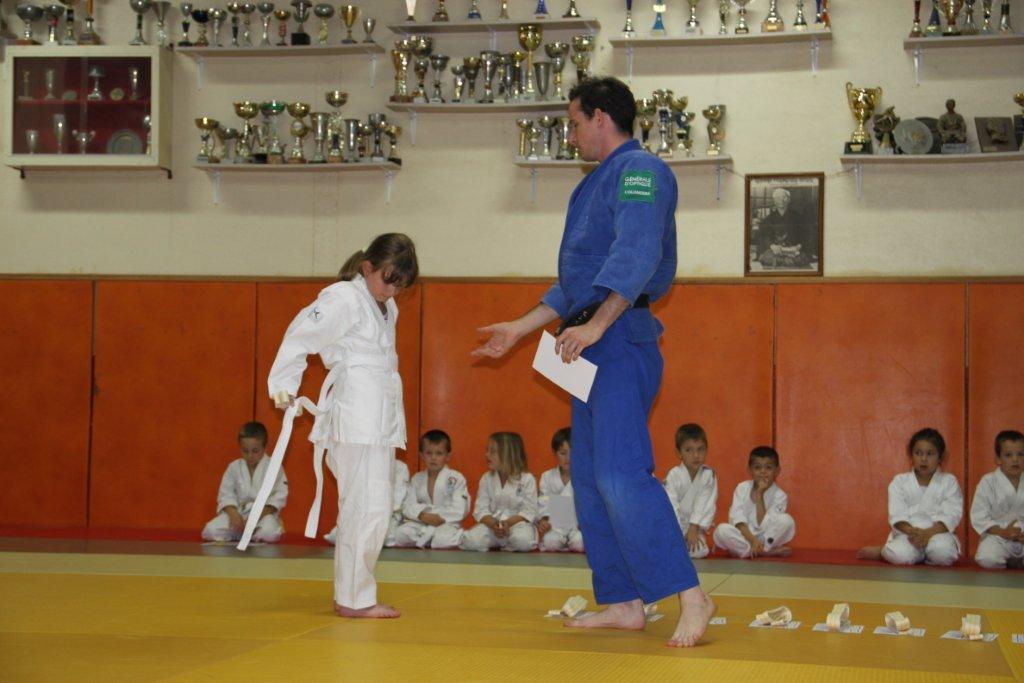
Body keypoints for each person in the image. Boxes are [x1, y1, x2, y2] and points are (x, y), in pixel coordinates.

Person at [471, 76, 715, 647]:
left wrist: (598, 326)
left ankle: (692, 595)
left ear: (602, 117)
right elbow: (575, 284)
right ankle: (624, 601)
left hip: (619, 339)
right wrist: (519, 328)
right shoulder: (590, 185)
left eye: (575, 121)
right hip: (585, 342)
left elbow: (637, 254)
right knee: (589, 478)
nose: (571, 133)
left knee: (621, 474)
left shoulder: (640, 171)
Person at [267, 232, 418, 619]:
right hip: (355, 417)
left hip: (381, 419)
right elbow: (300, 336)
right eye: (387, 280)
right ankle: (354, 598)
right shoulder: (343, 298)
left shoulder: (387, 307)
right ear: (367, 267)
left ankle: (355, 593)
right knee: (364, 508)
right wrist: (283, 386)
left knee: (375, 507)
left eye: (400, 284)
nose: (392, 291)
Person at [857, 428, 962, 566]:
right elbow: (897, 515)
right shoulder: (900, 481)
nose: (923, 459)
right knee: (899, 555)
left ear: (940, 457)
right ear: (911, 456)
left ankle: (923, 554)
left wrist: (927, 533)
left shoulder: (949, 481)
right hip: (908, 534)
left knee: (944, 555)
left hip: (937, 534)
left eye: (930, 454)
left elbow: (951, 515)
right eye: (918, 453)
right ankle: (883, 551)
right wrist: (913, 532)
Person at [202, 421, 287, 544]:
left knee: (270, 533)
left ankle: (249, 534)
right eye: (245, 451)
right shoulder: (234, 467)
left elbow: (278, 497)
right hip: (239, 514)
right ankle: (244, 534)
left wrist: (256, 518)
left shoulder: (274, 467)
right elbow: (226, 495)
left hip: (262, 516)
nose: (250, 455)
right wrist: (233, 514)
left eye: (255, 451)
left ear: (265, 447)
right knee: (210, 530)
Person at [460, 432, 539, 552]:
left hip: (518, 525)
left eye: (492, 451)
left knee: (522, 542)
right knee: (469, 540)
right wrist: (494, 525)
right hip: (493, 526)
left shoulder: (527, 479)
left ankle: (509, 543)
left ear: (507, 455)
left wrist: (507, 523)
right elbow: (481, 509)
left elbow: (528, 511)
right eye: (487, 450)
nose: (487, 454)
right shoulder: (487, 478)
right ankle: (500, 541)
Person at [712, 446, 795, 558]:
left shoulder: (780, 495)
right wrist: (752, 539)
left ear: (777, 471)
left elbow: (763, 524)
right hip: (745, 535)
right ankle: (763, 552)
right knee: (721, 530)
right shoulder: (742, 487)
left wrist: (760, 494)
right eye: (757, 467)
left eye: (768, 468)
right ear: (750, 470)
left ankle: (750, 550)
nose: (763, 472)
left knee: (787, 521)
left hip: (766, 536)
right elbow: (737, 519)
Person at [394, 429, 470, 549]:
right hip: (422, 522)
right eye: (428, 453)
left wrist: (439, 517)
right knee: (400, 534)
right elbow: (407, 505)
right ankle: (430, 539)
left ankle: (433, 538)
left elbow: (461, 509)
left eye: (439, 453)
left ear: (448, 456)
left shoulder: (456, 478)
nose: (433, 458)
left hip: (445, 522)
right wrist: (422, 515)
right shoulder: (417, 479)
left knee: (442, 540)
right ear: (421, 456)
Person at [323, 455, 410, 548]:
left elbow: (397, 499)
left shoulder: (399, 467)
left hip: (388, 515)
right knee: (338, 534)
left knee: (381, 535)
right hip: (363, 513)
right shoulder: (362, 466)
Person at [971, 430, 1024, 569]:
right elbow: (979, 516)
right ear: (998, 459)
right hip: (997, 537)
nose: (1015, 459)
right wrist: (1002, 532)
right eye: (1008, 455)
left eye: (1020, 454)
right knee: (987, 559)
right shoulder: (988, 482)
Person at [663, 423, 717, 559]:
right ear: (678, 453)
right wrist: (681, 532)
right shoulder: (674, 475)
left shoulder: (708, 475)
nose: (696, 455)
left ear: (706, 450)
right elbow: (671, 506)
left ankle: (677, 549)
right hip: (674, 527)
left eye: (700, 449)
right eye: (689, 450)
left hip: (695, 527)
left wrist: (693, 528)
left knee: (701, 551)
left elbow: (705, 504)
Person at [537, 427, 584, 553]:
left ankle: (572, 541)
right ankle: (563, 542)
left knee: (580, 544)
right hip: (555, 526)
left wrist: (585, 522)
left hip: (577, 525)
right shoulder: (547, 477)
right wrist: (544, 520)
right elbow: (543, 503)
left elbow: (590, 503)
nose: (568, 458)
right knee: (550, 543)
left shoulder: (584, 477)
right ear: (555, 453)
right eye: (563, 453)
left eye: (572, 453)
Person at [754, 188, 815, 269]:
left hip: (794, 250)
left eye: (784, 197)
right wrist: (772, 246)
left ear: (789, 200)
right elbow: (764, 236)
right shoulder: (768, 219)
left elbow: (805, 235)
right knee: (768, 258)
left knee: (799, 259)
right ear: (774, 201)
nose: (781, 200)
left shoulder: (798, 217)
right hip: (775, 251)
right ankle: (785, 262)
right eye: (778, 198)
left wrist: (798, 246)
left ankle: (786, 262)